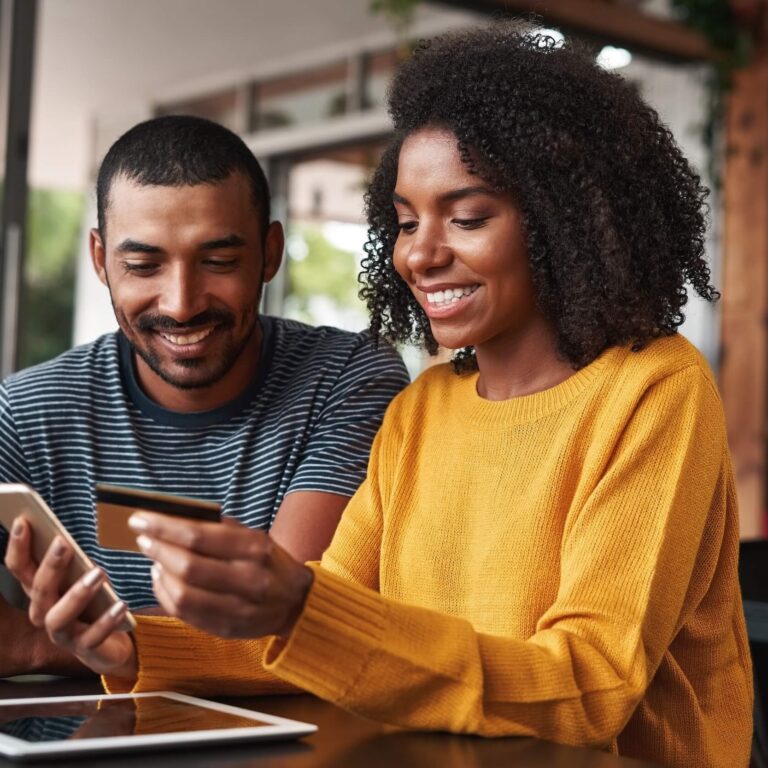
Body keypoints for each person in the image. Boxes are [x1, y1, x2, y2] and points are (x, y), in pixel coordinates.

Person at [7, 24, 753, 767]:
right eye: (404, 222)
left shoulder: (654, 389)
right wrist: (135, 645)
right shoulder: (423, 408)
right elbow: (318, 623)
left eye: (466, 218)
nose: (421, 254)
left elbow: (589, 688)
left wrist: (301, 607)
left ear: (561, 221)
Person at [0, 115, 409, 678]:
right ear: (100, 260)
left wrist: (40, 647)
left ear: (270, 253)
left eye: (219, 262)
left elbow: (287, 625)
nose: (182, 303)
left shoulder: (345, 378)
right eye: (143, 265)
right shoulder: (26, 413)